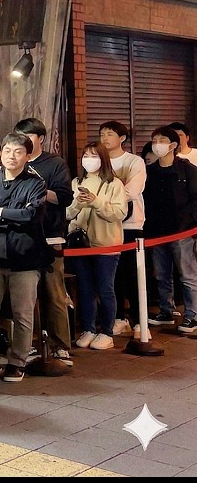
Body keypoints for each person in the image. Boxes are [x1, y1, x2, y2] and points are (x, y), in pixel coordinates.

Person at [0, 132, 48, 383]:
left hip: (25, 258)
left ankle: (18, 362)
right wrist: (9, 213)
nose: (11, 156)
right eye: (7, 151)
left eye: (18, 152)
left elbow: (30, 216)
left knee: (22, 314)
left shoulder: (35, 183)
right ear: (0, 154)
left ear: (27, 156)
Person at [14, 117, 76, 367]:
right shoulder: (13, 162)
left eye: (28, 137)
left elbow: (65, 197)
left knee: (54, 293)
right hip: (21, 238)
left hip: (50, 236)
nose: (23, 142)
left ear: (40, 139)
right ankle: (26, 345)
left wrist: (38, 189)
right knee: (23, 298)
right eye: (19, 137)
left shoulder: (54, 164)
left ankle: (61, 346)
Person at [66, 141, 127, 350]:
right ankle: (89, 328)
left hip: (106, 245)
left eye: (93, 156)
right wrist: (78, 204)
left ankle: (107, 332)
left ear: (103, 159)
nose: (88, 160)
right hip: (79, 244)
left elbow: (119, 213)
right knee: (85, 287)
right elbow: (67, 214)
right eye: (85, 156)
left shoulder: (114, 184)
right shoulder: (76, 181)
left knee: (105, 287)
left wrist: (95, 201)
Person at [142, 126, 197, 334]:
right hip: (156, 231)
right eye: (154, 140)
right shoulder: (150, 171)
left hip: (181, 231)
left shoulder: (187, 170)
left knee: (187, 274)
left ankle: (192, 315)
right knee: (161, 274)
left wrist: (187, 221)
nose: (157, 144)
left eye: (162, 140)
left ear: (173, 145)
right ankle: (166, 310)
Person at [100, 120, 148, 337]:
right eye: (102, 134)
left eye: (110, 134)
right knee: (114, 275)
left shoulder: (134, 161)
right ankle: (119, 318)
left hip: (130, 223)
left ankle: (140, 321)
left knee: (133, 273)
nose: (105, 138)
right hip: (106, 225)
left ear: (122, 138)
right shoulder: (98, 161)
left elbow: (133, 190)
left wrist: (106, 198)